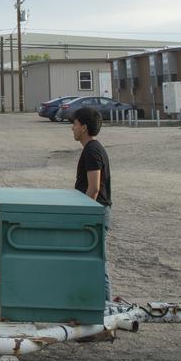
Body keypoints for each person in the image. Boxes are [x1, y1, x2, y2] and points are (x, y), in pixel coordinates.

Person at [71, 105, 113, 301]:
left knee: (97, 262)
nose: (72, 128)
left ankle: (105, 308)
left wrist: (84, 217)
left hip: (96, 213)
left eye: (75, 124)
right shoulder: (93, 148)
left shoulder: (92, 151)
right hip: (97, 211)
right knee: (94, 260)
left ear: (84, 127)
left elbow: (94, 188)